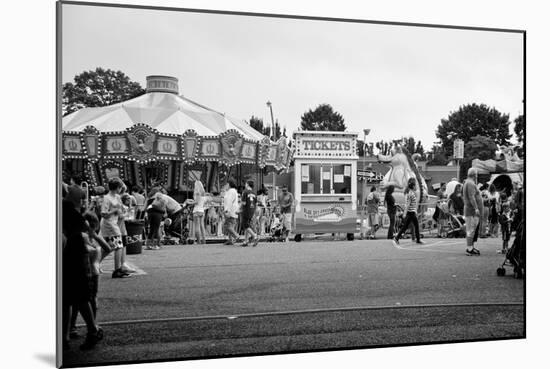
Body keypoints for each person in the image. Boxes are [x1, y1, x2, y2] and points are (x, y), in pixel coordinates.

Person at [62, 185, 104, 350]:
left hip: (71, 256)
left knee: (72, 298)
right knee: (74, 297)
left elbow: (85, 227)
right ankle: (73, 334)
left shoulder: (66, 208)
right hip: (75, 255)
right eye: (82, 199)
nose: (83, 202)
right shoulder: (71, 210)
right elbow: (87, 228)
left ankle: (89, 330)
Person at [100, 178, 132, 278]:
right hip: (109, 224)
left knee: (109, 248)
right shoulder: (107, 198)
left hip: (114, 223)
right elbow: (104, 214)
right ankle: (117, 270)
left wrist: (121, 211)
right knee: (119, 246)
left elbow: (120, 209)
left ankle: (95, 262)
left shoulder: (117, 197)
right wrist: (114, 211)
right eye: (120, 187)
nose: (121, 189)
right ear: (117, 187)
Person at [393, 178, 423, 245]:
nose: (416, 187)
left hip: (411, 212)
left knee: (406, 227)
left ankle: (397, 238)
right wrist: (405, 213)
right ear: (413, 186)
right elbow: (408, 204)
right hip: (411, 213)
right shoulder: (410, 194)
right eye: (415, 186)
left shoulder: (410, 193)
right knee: (415, 226)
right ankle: (417, 240)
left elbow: (410, 204)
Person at [463, 168, 484, 256]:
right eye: (476, 174)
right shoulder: (470, 183)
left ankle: (471, 246)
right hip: (471, 211)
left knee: (472, 229)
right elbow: (471, 197)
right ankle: (469, 248)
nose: (477, 176)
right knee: (471, 230)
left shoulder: (469, 182)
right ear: (474, 175)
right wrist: (476, 208)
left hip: (471, 210)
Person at [241, 180, 260, 247]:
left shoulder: (245, 192)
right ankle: (246, 241)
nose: (245, 184)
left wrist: (239, 209)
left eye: (246, 183)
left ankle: (255, 236)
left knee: (245, 225)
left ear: (248, 184)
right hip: (252, 210)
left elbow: (244, 203)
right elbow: (256, 204)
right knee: (247, 225)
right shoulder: (254, 193)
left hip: (246, 210)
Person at [223, 179, 240, 245]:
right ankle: (231, 239)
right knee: (230, 225)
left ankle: (236, 236)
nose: (226, 186)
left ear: (229, 184)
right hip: (233, 210)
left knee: (227, 226)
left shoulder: (231, 191)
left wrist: (227, 210)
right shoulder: (233, 191)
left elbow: (229, 201)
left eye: (227, 184)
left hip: (230, 210)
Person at [192, 180, 207, 244]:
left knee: (197, 226)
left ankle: (198, 241)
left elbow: (196, 202)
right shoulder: (203, 193)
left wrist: (190, 202)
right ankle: (204, 240)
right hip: (202, 211)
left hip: (196, 211)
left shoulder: (197, 193)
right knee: (202, 226)